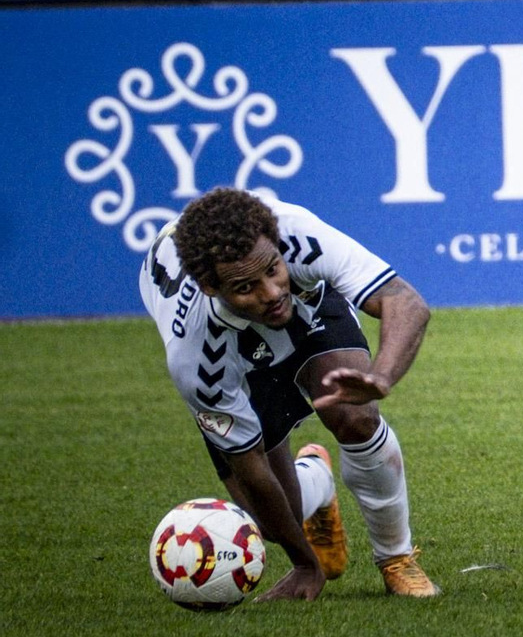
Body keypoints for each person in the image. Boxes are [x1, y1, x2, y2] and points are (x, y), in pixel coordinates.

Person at [139, 187, 441, 600]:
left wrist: (382, 378)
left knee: (357, 417)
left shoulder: (298, 238)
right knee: (267, 520)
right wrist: (305, 564)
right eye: (246, 286)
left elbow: (405, 302)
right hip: (235, 354)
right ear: (212, 287)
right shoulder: (195, 357)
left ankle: (396, 559)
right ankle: (317, 481)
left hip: (309, 310)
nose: (270, 292)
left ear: (277, 246)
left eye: (272, 269)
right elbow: (249, 463)